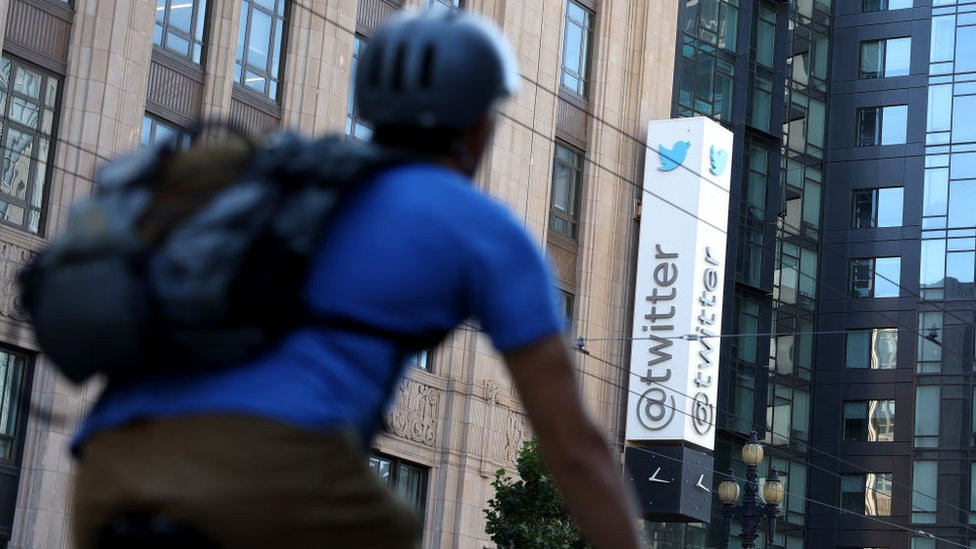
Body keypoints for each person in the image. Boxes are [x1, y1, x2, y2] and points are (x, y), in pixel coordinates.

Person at [70, 11, 641, 549]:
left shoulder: (281, 181)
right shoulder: (480, 228)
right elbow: (573, 449)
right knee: (391, 527)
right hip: (269, 466)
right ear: (479, 127)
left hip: (110, 467)